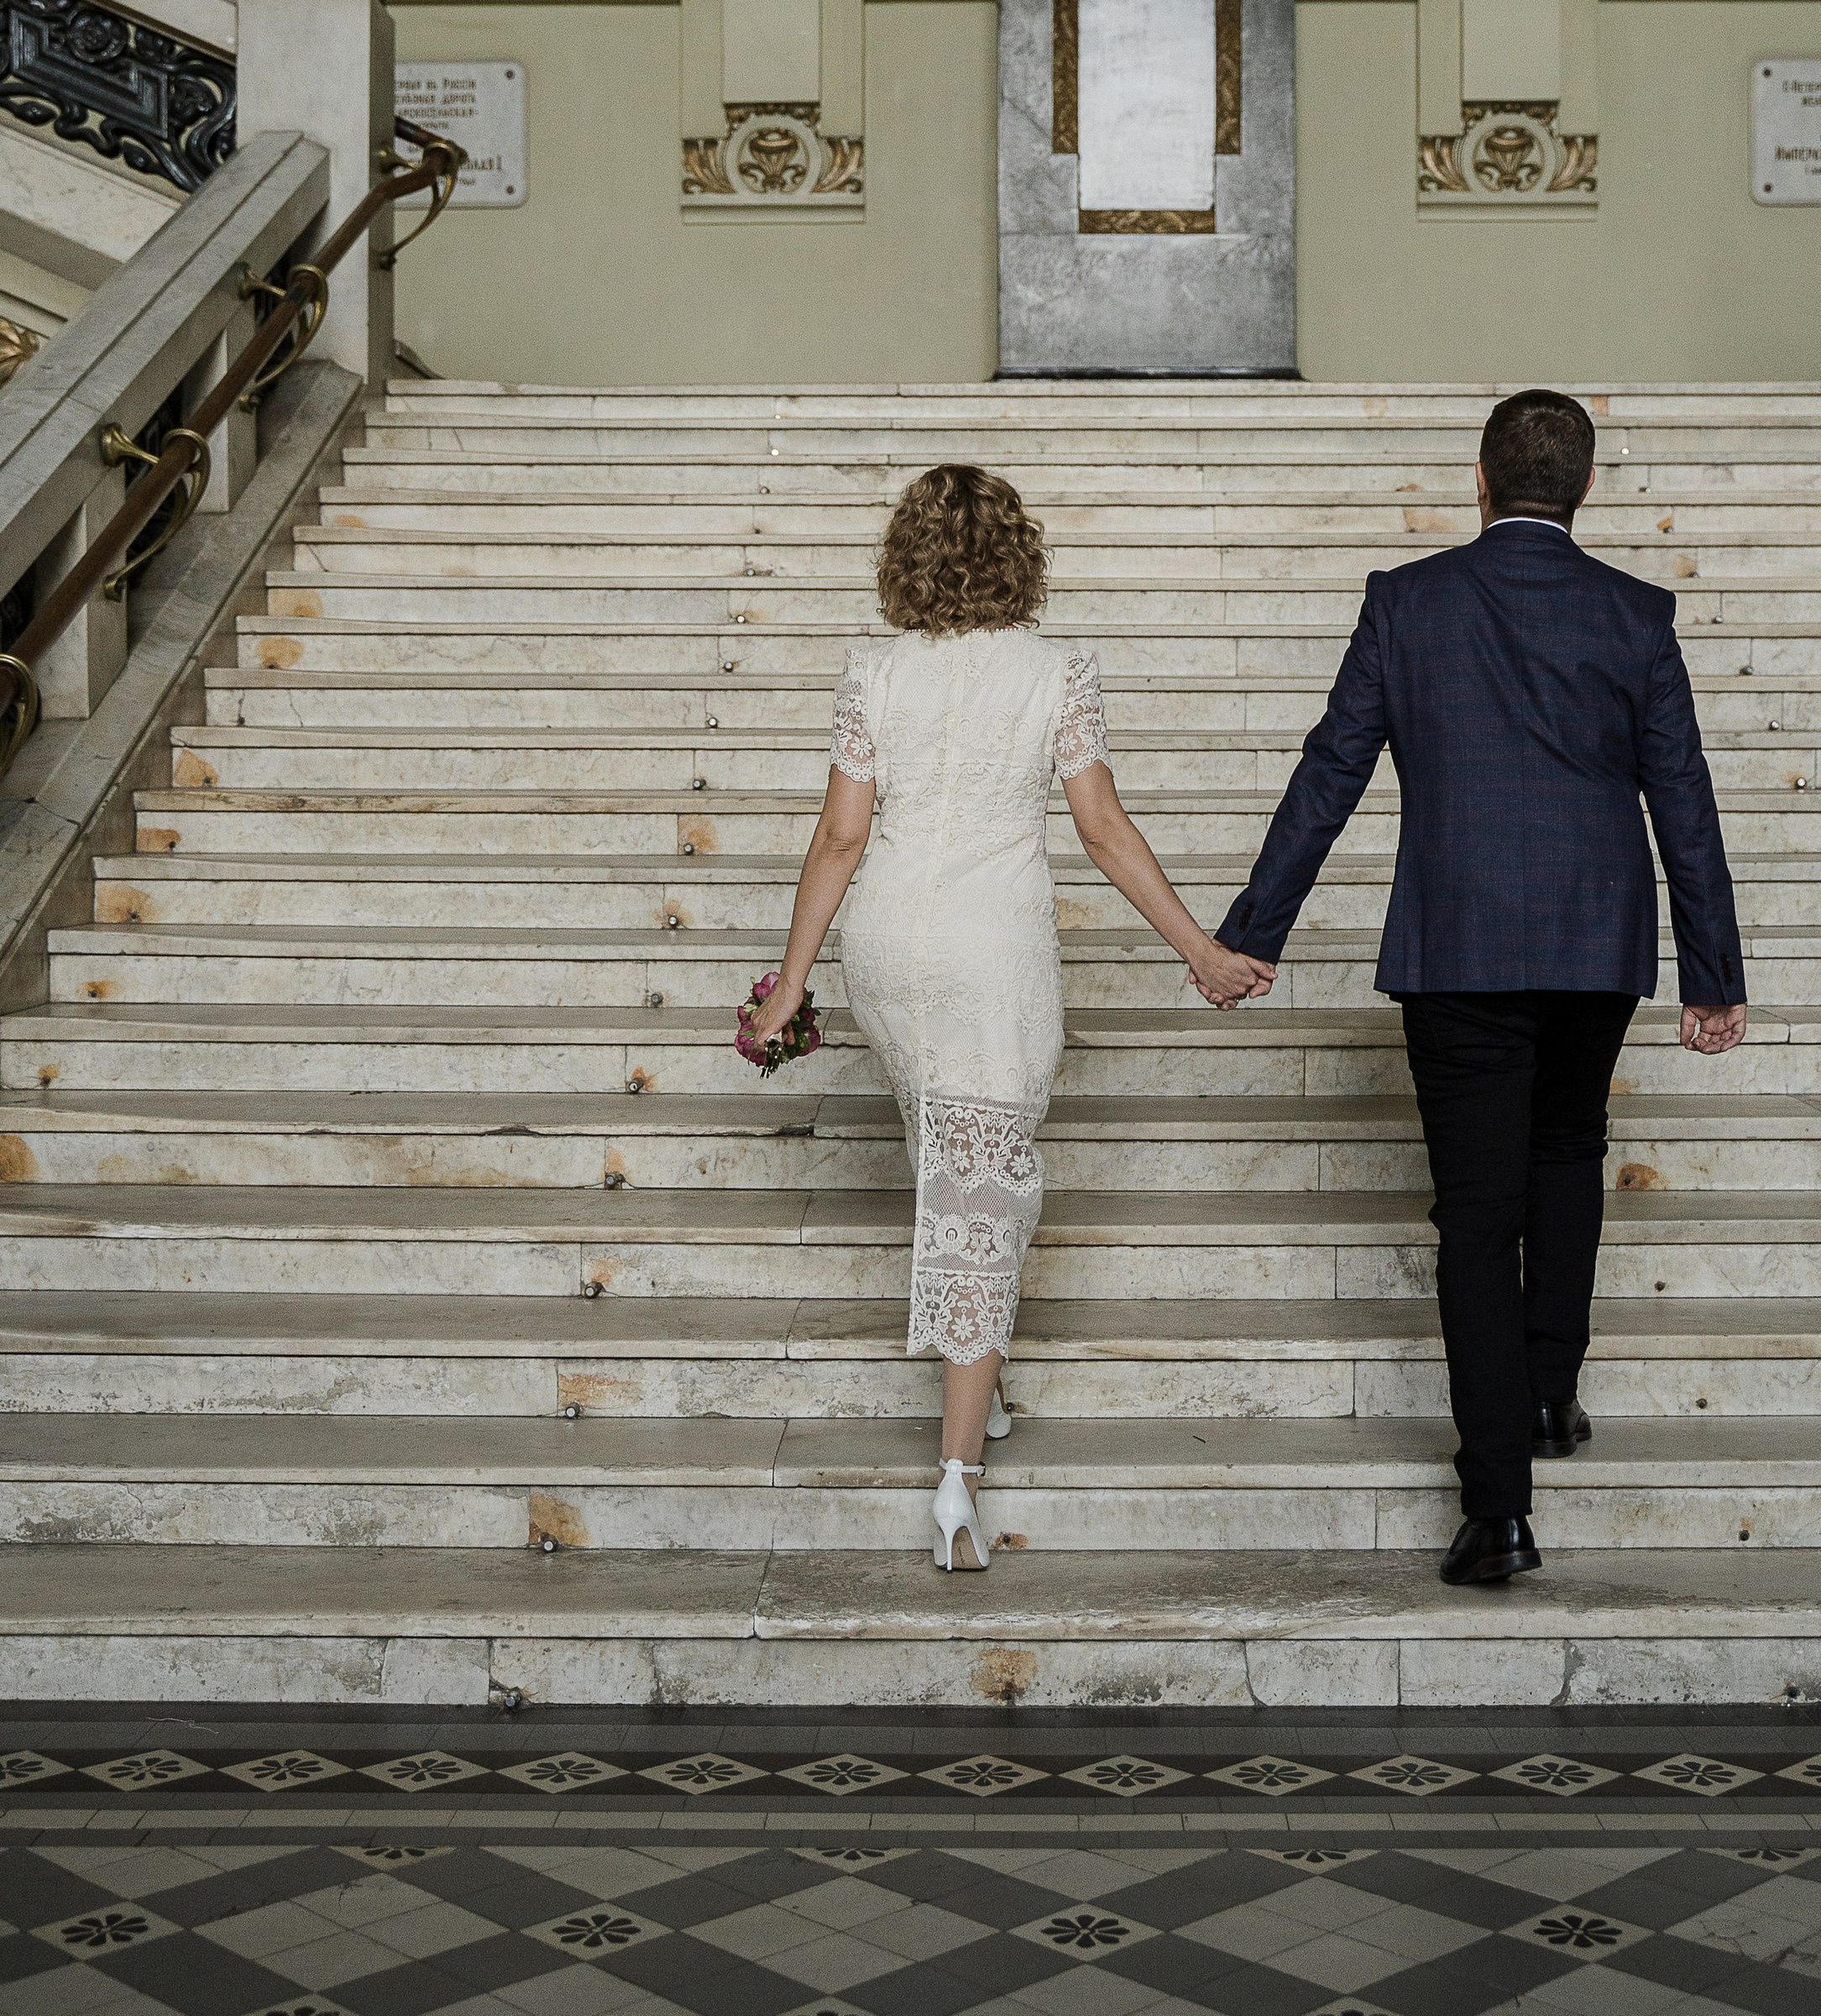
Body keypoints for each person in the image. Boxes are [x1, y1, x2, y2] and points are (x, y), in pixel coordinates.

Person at [1215, 388, 1746, 1589]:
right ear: (1586, 488)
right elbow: (1687, 806)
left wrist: (1256, 931)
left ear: (1479, 479)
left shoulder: (1407, 604)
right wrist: (1713, 971)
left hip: (1458, 946)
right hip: (1596, 943)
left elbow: (1330, 771)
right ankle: (1553, 1395)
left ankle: (1496, 1507)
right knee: (1565, 1151)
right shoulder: (1636, 614)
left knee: (1474, 1214)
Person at [747, 463, 1272, 1574]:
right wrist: (1201, 951)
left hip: (887, 949)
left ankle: (976, 1393)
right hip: (992, 953)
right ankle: (955, 1482)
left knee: (946, 1152)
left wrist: (792, 981)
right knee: (983, 1194)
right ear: (1018, 557)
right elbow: (1103, 828)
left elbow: (840, 839)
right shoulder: (1056, 674)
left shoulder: (872, 674)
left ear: (907, 560)